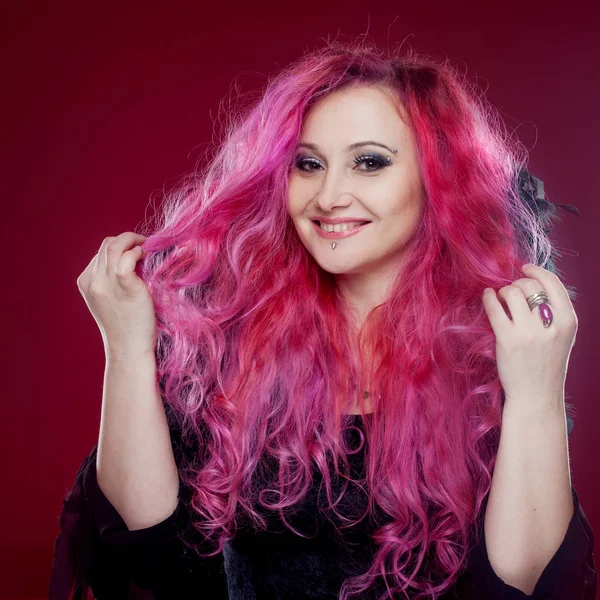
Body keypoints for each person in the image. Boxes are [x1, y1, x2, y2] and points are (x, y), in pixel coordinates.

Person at [49, 40, 597, 599]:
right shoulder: (228, 339)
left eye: (369, 162)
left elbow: (530, 588)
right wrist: (127, 347)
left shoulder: (498, 349)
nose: (329, 196)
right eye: (308, 164)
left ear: (439, 179)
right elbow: (149, 559)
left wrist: (535, 393)